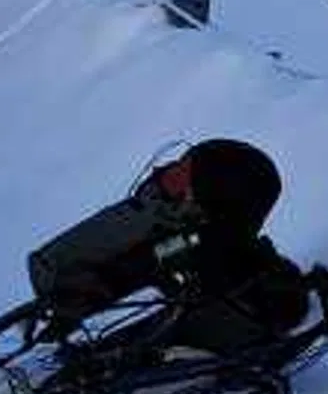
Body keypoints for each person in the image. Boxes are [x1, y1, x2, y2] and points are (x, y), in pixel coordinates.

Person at [21, 138, 313, 361]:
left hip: (78, 276)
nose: (169, 177)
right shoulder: (190, 229)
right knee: (171, 309)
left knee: (164, 296)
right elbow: (168, 258)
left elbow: (168, 255)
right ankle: (103, 358)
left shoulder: (162, 211)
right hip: (132, 287)